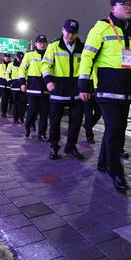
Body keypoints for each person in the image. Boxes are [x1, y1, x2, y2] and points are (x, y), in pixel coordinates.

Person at [79, 0, 131, 192]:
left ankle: (102, 162)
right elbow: (87, 57)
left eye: (130, 4)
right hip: (106, 89)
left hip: (125, 89)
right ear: (112, 8)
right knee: (115, 130)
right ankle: (117, 171)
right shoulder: (101, 29)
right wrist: (83, 84)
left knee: (117, 129)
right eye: (124, 4)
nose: (128, 7)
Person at [41, 19, 85, 160]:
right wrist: (48, 81)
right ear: (62, 30)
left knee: (76, 121)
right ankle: (54, 146)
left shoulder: (82, 48)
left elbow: (86, 67)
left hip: (76, 92)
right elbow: (45, 64)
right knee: (55, 121)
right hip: (58, 91)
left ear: (77, 33)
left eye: (73, 33)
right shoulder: (54, 46)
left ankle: (71, 146)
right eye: (68, 32)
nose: (70, 36)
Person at [20, 35, 49, 142]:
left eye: (44, 42)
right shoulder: (29, 55)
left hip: (45, 89)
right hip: (33, 89)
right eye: (39, 42)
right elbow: (22, 69)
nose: (42, 44)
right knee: (32, 111)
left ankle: (42, 134)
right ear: (36, 43)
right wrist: (23, 83)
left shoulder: (49, 55)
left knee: (44, 114)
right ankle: (27, 126)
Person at [8, 51, 25, 124]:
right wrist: (10, 82)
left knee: (22, 103)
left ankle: (21, 118)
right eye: (19, 58)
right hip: (14, 87)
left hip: (22, 86)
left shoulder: (24, 64)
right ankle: (15, 119)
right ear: (16, 57)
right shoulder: (10, 65)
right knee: (16, 103)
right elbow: (7, 74)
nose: (20, 59)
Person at [0, 53, 12, 118]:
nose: (7, 58)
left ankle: (6, 110)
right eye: (6, 57)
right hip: (2, 83)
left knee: (7, 98)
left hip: (9, 83)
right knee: (4, 98)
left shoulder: (12, 64)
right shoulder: (0, 64)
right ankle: (3, 112)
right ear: (4, 57)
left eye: (8, 57)